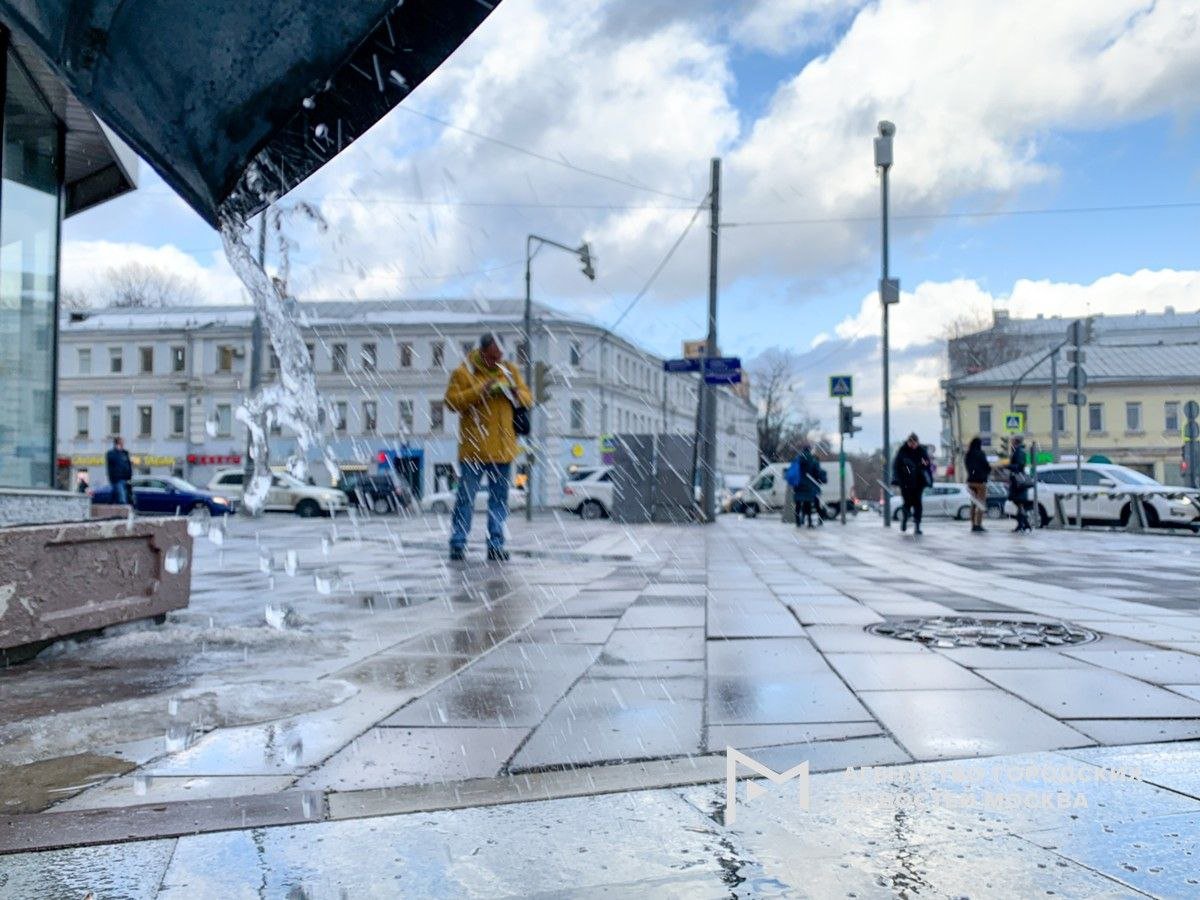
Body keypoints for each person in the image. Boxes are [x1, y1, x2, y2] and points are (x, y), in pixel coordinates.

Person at [444, 333, 533, 562]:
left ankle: (495, 545)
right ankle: (458, 544)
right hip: (474, 450)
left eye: (500, 355)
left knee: (499, 502)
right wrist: (481, 390)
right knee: (466, 498)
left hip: (503, 450)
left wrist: (515, 393)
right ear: (482, 352)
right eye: (493, 356)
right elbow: (451, 402)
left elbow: (528, 397)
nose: (497, 361)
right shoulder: (464, 372)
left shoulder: (509, 370)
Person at [891, 432, 931, 535]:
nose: (913, 445)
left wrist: (928, 478)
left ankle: (917, 525)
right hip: (905, 482)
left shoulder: (921, 451)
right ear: (908, 442)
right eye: (911, 442)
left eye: (915, 443)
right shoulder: (902, 451)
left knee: (918, 504)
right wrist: (896, 479)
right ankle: (905, 519)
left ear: (917, 442)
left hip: (919, 482)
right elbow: (896, 466)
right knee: (907, 503)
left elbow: (927, 466)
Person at [786, 444, 826, 528]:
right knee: (808, 503)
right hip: (809, 484)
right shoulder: (813, 460)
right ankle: (810, 523)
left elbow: (792, 470)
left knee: (798, 505)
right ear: (809, 450)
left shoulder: (797, 459)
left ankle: (798, 522)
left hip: (798, 485)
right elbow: (817, 472)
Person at [965, 436, 991, 533]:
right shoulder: (981, 454)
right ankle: (978, 524)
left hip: (970, 482)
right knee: (980, 503)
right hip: (980, 482)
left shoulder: (968, 454)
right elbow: (986, 466)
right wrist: (986, 472)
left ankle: (972, 524)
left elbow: (968, 467)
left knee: (973, 504)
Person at [1008, 436, 1033, 533]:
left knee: (1019, 503)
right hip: (1018, 481)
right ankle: (1025, 524)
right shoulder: (1019, 450)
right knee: (1019, 503)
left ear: (1015, 442)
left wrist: (1007, 465)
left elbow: (1019, 465)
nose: (1011, 443)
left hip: (1018, 481)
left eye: (1012, 441)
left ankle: (1022, 525)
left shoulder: (1019, 451)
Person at [105, 436, 133, 505]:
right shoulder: (111, 453)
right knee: (122, 497)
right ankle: (123, 510)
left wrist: (130, 474)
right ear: (117, 443)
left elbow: (128, 464)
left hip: (126, 478)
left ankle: (111, 505)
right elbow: (111, 466)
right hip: (117, 478)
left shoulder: (125, 453)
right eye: (122, 442)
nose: (123, 444)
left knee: (118, 494)